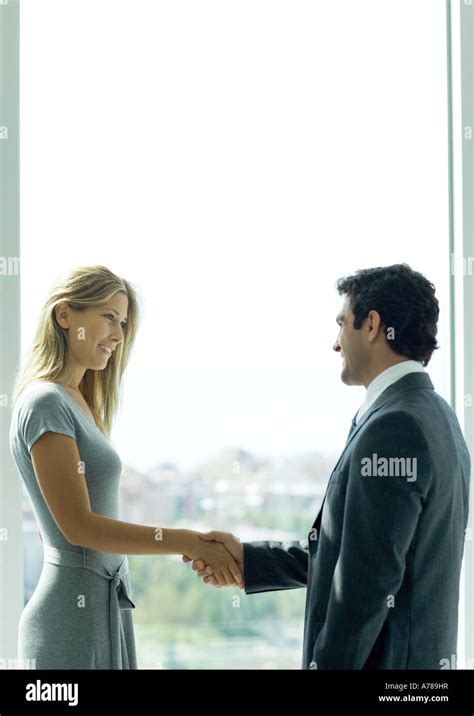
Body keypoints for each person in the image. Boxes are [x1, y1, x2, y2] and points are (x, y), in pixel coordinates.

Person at [186, 264, 471, 670]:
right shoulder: (437, 415)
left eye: (341, 324)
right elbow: (358, 551)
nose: (336, 343)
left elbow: (365, 585)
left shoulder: (395, 426)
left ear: (372, 325)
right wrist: (250, 562)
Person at [9, 265, 243, 670]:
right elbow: (80, 527)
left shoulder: (76, 401)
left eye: (122, 323)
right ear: (65, 316)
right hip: (70, 620)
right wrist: (187, 541)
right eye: (109, 318)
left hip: (105, 606)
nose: (118, 336)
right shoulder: (45, 402)